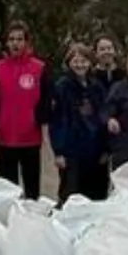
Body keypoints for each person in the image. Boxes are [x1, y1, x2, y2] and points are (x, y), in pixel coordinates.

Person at [0, 20, 51, 200]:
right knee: (8, 193)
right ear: (6, 43)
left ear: (27, 42)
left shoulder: (39, 68)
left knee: (32, 192)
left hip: (30, 138)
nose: (15, 43)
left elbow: (46, 101)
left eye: (20, 39)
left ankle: (32, 223)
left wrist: (38, 119)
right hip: (5, 138)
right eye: (11, 39)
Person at [50, 42, 110, 203]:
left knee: (96, 193)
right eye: (75, 61)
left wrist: (106, 148)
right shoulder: (62, 87)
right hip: (72, 150)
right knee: (71, 194)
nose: (80, 64)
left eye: (84, 60)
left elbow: (103, 116)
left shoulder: (97, 86)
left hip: (95, 149)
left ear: (90, 62)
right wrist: (58, 151)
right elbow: (57, 120)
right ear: (68, 63)